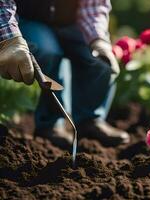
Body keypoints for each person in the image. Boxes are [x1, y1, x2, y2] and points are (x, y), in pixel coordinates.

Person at [0, 0, 130, 147]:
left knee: (98, 60)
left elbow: (93, 5)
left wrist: (98, 40)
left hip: (72, 21)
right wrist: (10, 40)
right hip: (29, 19)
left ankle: (90, 121)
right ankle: (51, 125)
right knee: (49, 52)